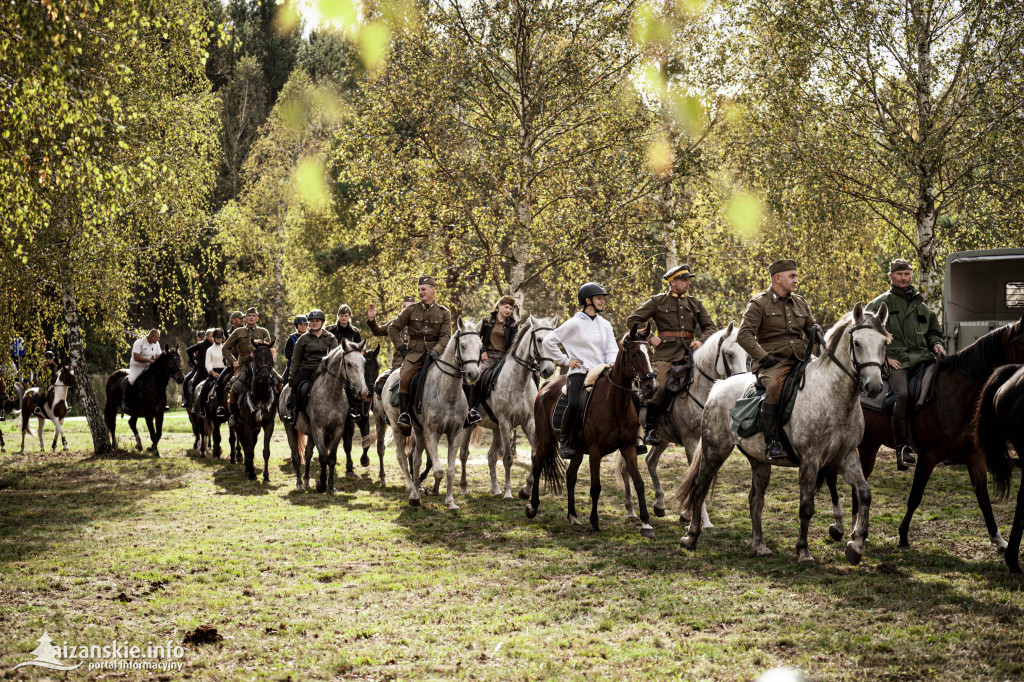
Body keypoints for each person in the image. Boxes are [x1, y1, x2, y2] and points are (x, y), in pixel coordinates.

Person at [866, 258, 946, 470]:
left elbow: (934, 333)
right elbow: (867, 339)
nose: (904, 278)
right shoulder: (879, 304)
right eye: (899, 274)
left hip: (923, 359)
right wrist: (884, 360)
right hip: (896, 362)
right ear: (890, 277)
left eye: (907, 274)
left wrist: (937, 344)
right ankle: (902, 448)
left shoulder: (920, 304)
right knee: (903, 395)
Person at [625, 264, 718, 445]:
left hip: (690, 355)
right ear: (672, 282)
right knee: (658, 388)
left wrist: (701, 341)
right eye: (684, 279)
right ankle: (651, 429)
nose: (688, 283)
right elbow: (632, 320)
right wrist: (650, 337)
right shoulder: (657, 301)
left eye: (689, 279)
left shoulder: (695, 303)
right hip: (666, 355)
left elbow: (710, 327)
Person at [736, 259, 819, 461]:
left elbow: (813, 332)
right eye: (792, 276)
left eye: (796, 276)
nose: (796, 280)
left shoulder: (800, 302)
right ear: (777, 278)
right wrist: (763, 358)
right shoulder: (759, 303)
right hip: (772, 362)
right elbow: (744, 335)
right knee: (774, 386)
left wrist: (822, 346)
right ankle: (771, 442)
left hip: (801, 358)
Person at [541, 282, 619, 459]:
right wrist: (565, 360)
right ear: (588, 300)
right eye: (599, 298)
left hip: (602, 372)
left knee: (631, 396)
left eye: (603, 299)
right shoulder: (574, 323)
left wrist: (612, 364)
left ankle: (633, 438)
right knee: (575, 402)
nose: (603, 302)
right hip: (580, 373)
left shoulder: (605, 324)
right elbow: (548, 341)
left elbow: (611, 348)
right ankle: (566, 441)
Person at [388, 276, 452, 435]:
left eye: (423, 289)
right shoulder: (410, 309)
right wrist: (402, 349)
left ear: (433, 289)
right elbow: (393, 328)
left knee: (455, 377)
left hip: (436, 355)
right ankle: (405, 416)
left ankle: (460, 413)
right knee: (405, 378)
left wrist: (436, 350)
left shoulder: (444, 312)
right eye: (419, 290)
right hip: (414, 354)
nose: (420, 292)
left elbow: (445, 336)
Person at [466, 295, 519, 425]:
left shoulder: (513, 325)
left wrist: (508, 358)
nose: (508, 311)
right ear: (499, 305)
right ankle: (472, 409)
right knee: (477, 376)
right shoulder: (486, 321)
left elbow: (513, 344)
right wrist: (483, 351)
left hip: (505, 358)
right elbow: (476, 338)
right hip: (488, 357)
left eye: (511, 309)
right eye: (506, 307)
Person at [222, 307, 276, 427]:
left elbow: (269, 349)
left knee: (279, 382)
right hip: (243, 364)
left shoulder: (263, 332)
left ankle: (278, 411)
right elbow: (225, 348)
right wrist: (233, 361)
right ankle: (234, 415)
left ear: (257, 318)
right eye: (249, 316)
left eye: (253, 316)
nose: (251, 317)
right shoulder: (238, 332)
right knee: (234, 386)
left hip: (261, 364)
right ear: (245, 318)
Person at [282, 309, 338, 424]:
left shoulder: (331, 338)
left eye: (317, 321)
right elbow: (296, 359)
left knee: (344, 386)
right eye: (311, 321)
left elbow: (336, 357)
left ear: (322, 322)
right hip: (308, 368)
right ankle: (292, 411)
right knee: (296, 385)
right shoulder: (303, 339)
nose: (314, 323)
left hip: (325, 370)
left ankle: (349, 412)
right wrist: (292, 377)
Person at [367, 296, 416, 375]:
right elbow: (378, 332)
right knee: (388, 384)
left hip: (417, 360)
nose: (405, 310)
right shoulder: (395, 323)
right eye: (404, 307)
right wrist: (372, 319)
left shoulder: (422, 323)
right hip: (399, 362)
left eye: (408, 307)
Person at [123, 329, 162, 411]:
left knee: (158, 380)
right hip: (137, 366)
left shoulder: (156, 343)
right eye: (157, 337)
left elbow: (159, 355)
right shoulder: (139, 342)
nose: (158, 339)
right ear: (151, 337)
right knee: (132, 380)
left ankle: (160, 402)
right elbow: (136, 357)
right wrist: (149, 360)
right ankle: (126, 402)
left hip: (149, 366)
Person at [196, 329, 226, 418]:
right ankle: (202, 409)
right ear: (214, 338)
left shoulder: (225, 348)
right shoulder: (210, 350)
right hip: (214, 372)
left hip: (224, 372)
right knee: (204, 388)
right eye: (217, 337)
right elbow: (207, 363)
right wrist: (212, 372)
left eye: (221, 337)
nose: (219, 339)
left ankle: (223, 407)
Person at [181, 329, 212, 408]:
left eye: (203, 336)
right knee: (187, 379)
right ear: (197, 338)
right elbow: (189, 357)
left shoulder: (213, 344)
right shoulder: (199, 346)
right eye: (200, 337)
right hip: (198, 369)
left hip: (210, 369)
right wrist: (194, 363)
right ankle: (186, 400)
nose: (201, 338)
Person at [31, 351, 59, 416]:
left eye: (52, 358)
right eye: (50, 359)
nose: (52, 360)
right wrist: (47, 384)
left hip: (52, 384)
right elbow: (40, 377)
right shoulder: (42, 366)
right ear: (47, 359)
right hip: (43, 384)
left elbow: (54, 376)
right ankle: (38, 407)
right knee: (42, 393)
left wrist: (53, 384)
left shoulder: (53, 366)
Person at [282, 315, 308, 384]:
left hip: (306, 364)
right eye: (300, 325)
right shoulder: (291, 338)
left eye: (304, 325)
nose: (303, 327)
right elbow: (287, 354)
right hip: (292, 365)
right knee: (283, 380)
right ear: (296, 326)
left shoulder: (310, 337)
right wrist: (297, 358)